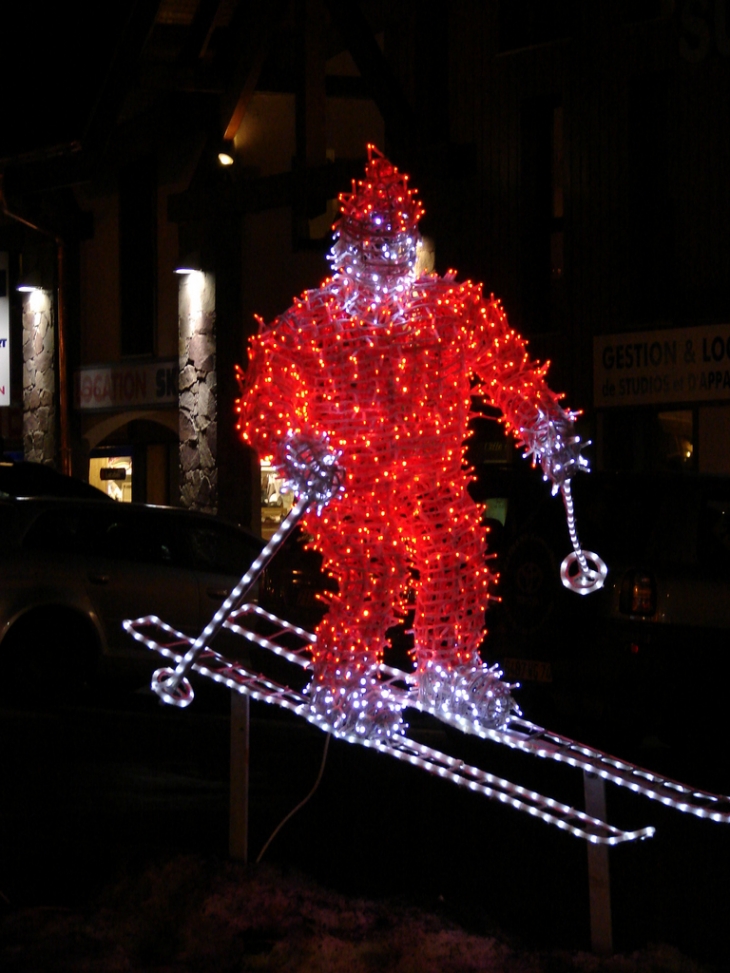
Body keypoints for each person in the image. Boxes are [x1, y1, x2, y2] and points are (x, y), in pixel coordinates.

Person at [236, 146, 586, 740]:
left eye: (394, 243)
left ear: (410, 245)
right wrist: (299, 449)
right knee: (374, 574)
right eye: (370, 245)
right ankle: (344, 682)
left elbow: (509, 371)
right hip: (351, 486)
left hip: (432, 479)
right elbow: (262, 397)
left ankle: (447, 671)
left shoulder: (449, 309)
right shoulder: (314, 322)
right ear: (345, 247)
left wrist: (546, 426)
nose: (382, 257)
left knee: (460, 551)